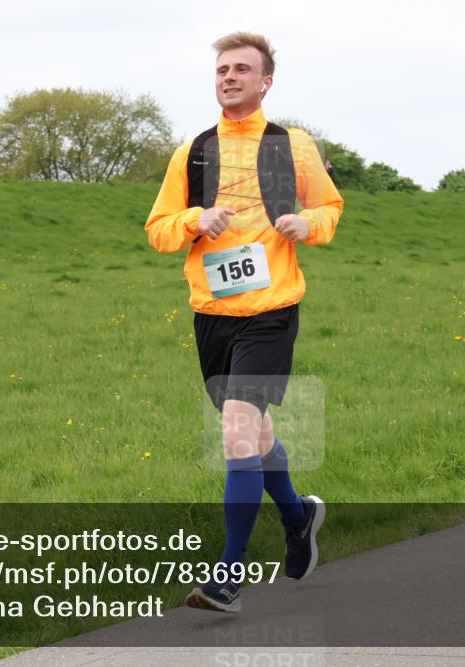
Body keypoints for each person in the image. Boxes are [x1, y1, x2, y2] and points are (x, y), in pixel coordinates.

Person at [145, 32, 343, 613]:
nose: (229, 76)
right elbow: (157, 229)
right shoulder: (195, 151)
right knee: (254, 436)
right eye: (222, 69)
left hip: (271, 310)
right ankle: (299, 516)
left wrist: (309, 225)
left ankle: (226, 577)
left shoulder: (292, 147)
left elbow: (329, 207)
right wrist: (193, 220)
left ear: (265, 82)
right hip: (212, 314)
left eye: (241, 69)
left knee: (235, 431)